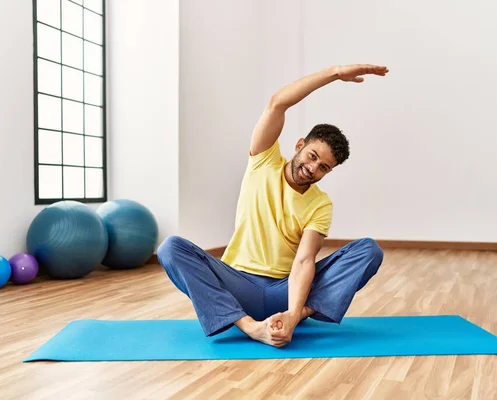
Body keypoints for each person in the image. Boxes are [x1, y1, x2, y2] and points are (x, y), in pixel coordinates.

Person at [157, 64, 388, 347]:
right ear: (299, 144)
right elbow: (278, 103)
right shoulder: (264, 160)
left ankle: (296, 316)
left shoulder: (320, 204)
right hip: (237, 285)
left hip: (285, 290)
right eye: (312, 156)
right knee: (171, 248)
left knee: (368, 250)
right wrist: (335, 74)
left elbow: (304, 261)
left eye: (323, 167)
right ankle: (250, 326)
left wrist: (292, 314)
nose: (312, 168)